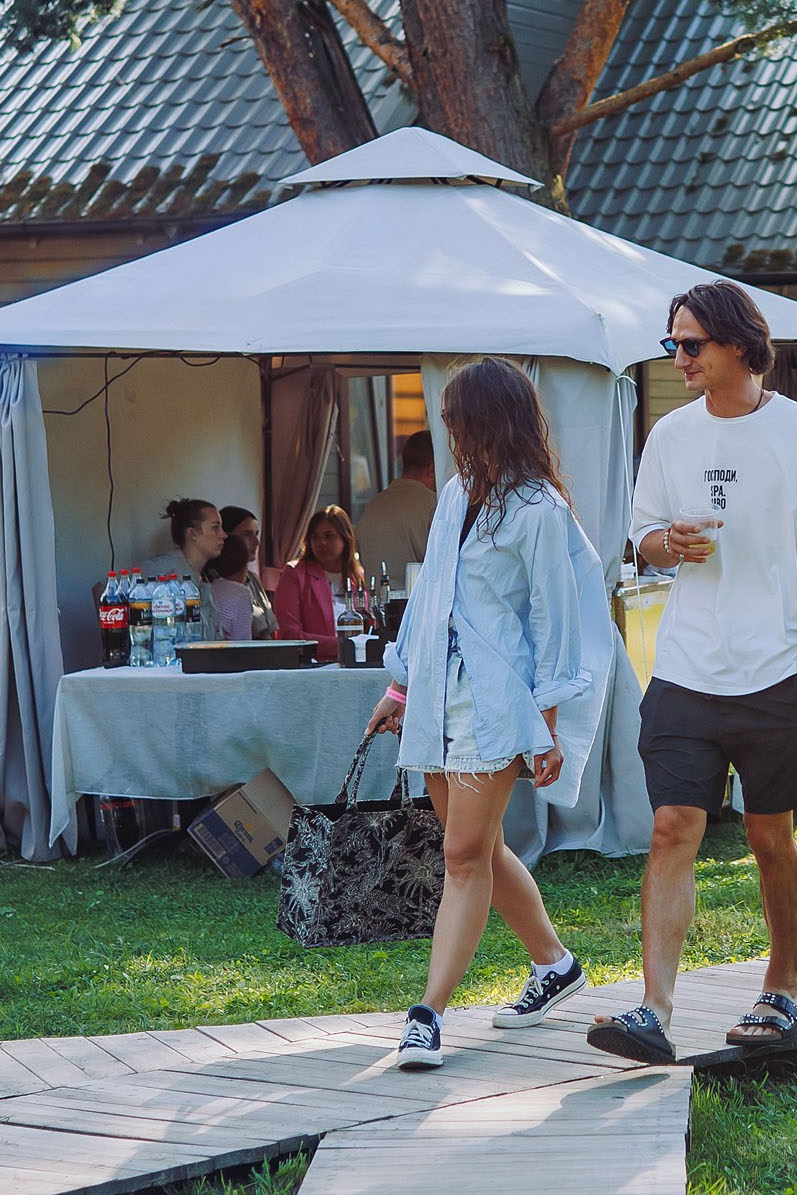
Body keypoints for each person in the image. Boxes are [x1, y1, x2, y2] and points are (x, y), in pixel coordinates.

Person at [590, 282, 797, 1065]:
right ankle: (653, 1009)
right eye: (672, 343)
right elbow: (642, 538)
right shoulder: (670, 435)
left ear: (740, 344)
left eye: (691, 344)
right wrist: (666, 543)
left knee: (770, 834)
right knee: (671, 826)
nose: (677, 357)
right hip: (685, 667)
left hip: (776, 669)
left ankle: (784, 985)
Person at [366, 358, 596, 1070]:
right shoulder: (456, 492)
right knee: (481, 848)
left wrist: (548, 725)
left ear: (486, 421)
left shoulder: (539, 509)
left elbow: (555, 620)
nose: (448, 432)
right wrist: (400, 688)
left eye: (455, 419)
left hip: (497, 704)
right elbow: (429, 595)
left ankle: (427, 1014)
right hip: (438, 695)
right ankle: (555, 963)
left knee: (462, 856)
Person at [275, 504, 366, 663]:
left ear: (345, 538)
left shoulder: (357, 576)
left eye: (328, 536)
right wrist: (343, 646)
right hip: (312, 666)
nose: (321, 543)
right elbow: (290, 635)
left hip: (355, 663)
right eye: (315, 537)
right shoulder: (294, 574)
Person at [138, 498, 229, 642]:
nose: (223, 535)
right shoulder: (163, 568)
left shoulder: (206, 579)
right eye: (215, 527)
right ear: (192, 533)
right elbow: (106, 587)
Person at [355, 431, 438, 582]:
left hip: (376, 596)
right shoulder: (434, 505)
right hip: (417, 595)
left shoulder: (373, 505)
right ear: (432, 469)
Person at [205, 505, 278, 639]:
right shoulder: (212, 583)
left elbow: (270, 627)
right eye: (247, 535)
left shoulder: (253, 579)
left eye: (256, 534)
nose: (256, 542)